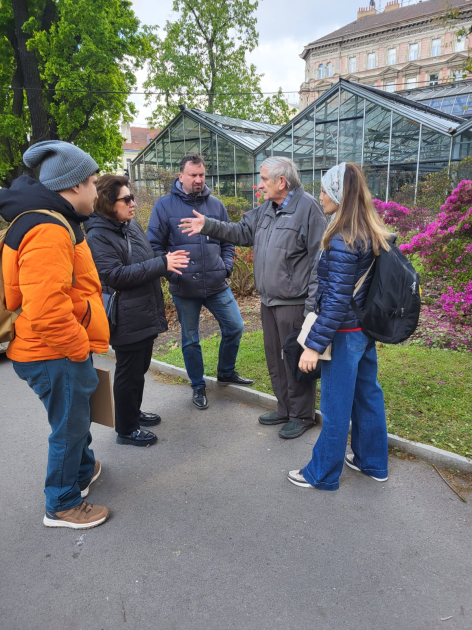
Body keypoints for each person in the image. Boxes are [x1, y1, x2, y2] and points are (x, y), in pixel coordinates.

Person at [0, 141, 111, 529]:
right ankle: (62, 503)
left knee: (75, 417)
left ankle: (82, 471)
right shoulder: (48, 229)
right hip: (54, 352)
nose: (97, 191)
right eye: (93, 182)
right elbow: (47, 309)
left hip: (53, 350)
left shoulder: (53, 219)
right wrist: (79, 349)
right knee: (69, 427)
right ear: (75, 184)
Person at [179, 156, 327, 439]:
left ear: (281, 182)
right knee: (275, 359)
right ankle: (284, 408)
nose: (259, 185)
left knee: (294, 359)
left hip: (294, 303)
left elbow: (318, 263)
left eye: (264, 179)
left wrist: (311, 308)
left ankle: (301, 415)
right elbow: (241, 232)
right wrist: (208, 225)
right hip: (268, 301)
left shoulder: (308, 209)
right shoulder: (267, 209)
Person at [287, 162, 391, 491]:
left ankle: (322, 474)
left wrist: (313, 347)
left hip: (344, 335)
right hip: (363, 331)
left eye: (323, 190)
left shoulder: (343, 239)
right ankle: (372, 462)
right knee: (367, 396)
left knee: (335, 406)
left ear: (339, 194)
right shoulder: (369, 230)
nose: (319, 196)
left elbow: (335, 302)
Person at [85, 175, 189, 446]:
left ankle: (134, 413)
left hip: (143, 310)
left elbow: (148, 258)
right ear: (109, 203)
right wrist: (161, 264)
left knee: (139, 369)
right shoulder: (98, 236)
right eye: (127, 199)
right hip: (126, 317)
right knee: (128, 373)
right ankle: (127, 429)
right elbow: (115, 275)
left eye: (132, 197)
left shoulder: (130, 226)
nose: (133, 203)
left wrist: (167, 262)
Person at [147, 154, 253, 410]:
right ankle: (198, 385)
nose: (198, 179)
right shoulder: (164, 207)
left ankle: (226, 372)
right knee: (191, 339)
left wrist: (226, 268)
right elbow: (154, 246)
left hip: (216, 283)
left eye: (201, 175)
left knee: (235, 327)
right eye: (192, 175)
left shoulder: (216, 205)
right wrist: (173, 273)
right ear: (180, 176)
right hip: (184, 287)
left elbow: (228, 240)